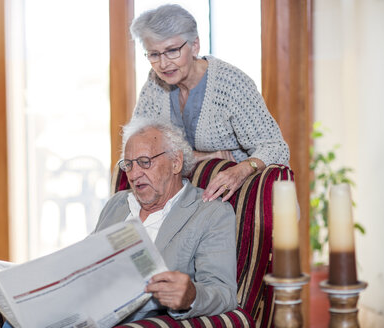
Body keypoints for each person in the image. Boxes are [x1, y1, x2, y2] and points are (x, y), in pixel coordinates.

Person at [130, 4, 290, 202]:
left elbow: (276, 147)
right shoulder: (154, 84)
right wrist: (208, 155)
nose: (163, 64)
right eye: (154, 54)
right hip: (185, 202)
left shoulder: (231, 83)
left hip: (237, 199)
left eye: (172, 51)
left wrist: (241, 169)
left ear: (195, 45)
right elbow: (137, 147)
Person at [94, 117, 237, 322]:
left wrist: (191, 296)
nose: (134, 175)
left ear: (176, 162)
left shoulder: (211, 213)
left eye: (144, 162)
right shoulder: (117, 204)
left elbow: (224, 293)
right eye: (129, 164)